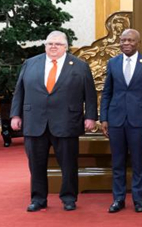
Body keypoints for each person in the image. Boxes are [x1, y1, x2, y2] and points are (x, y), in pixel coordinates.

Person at [10, 30, 97, 212]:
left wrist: (90, 116)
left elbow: (89, 94)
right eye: (50, 44)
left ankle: (69, 198)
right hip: (35, 122)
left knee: (68, 164)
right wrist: (15, 115)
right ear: (45, 46)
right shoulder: (31, 63)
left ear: (66, 47)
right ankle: (38, 198)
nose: (53, 47)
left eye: (58, 44)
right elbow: (20, 91)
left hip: (67, 121)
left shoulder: (80, 66)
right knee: (36, 163)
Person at [100, 29, 142, 213]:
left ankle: (138, 199)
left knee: (138, 162)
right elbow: (107, 92)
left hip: (138, 120)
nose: (126, 43)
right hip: (116, 119)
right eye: (123, 40)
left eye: (130, 40)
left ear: (138, 42)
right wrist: (103, 118)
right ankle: (118, 199)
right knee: (117, 162)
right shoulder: (113, 63)